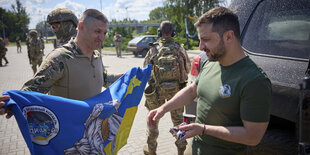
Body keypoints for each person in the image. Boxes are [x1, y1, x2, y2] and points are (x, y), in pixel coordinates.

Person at [147, 7, 272, 155]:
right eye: (200, 40)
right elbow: (193, 89)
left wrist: (203, 129)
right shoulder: (211, 61)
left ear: (229, 37)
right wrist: (164, 108)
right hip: (193, 148)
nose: (201, 47)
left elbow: (252, 137)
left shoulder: (254, 80)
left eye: (205, 40)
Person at [0, 9, 122, 117]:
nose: (102, 37)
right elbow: (31, 91)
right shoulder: (59, 58)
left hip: (93, 131)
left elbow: (103, 78)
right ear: (81, 27)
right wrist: (8, 103)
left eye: (104, 33)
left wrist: (130, 76)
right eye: (97, 31)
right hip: (69, 134)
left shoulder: (96, 55)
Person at [143, 21, 191, 155]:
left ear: (160, 33)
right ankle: (181, 151)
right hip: (176, 93)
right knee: (179, 122)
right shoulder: (179, 48)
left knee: (153, 121)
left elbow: (145, 69)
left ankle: (151, 150)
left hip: (157, 92)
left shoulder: (153, 48)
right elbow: (188, 68)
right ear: (173, 32)